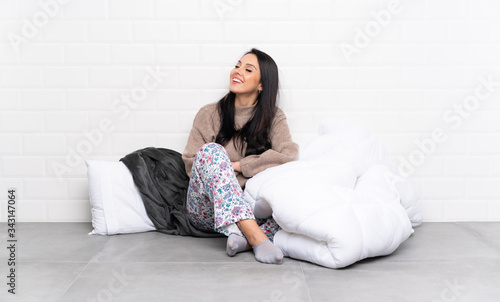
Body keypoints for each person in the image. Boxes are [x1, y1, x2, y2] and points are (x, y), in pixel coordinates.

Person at [182, 48, 299, 264]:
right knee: (210, 151)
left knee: (294, 207)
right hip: (208, 209)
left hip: (252, 205)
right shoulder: (208, 114)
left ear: (262, 84)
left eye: (247, 69)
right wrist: (227, 172)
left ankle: (241, 238)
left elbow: (289, 155)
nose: (237, 72)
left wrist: (239, 166)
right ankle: (255, 237)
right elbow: (191, 163)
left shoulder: (274, 118)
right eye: (237, 66)